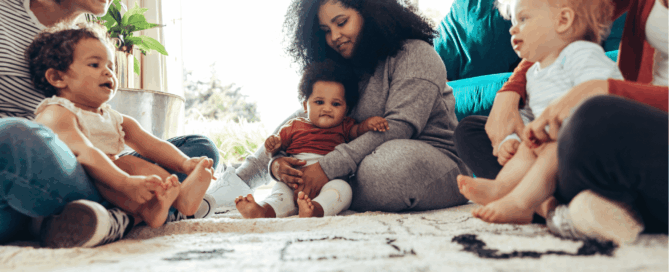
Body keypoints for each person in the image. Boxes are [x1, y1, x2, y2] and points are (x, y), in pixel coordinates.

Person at [208, 0, 472, 213]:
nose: (334, 37)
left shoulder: (416, 54)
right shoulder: (345, 66)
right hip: (357, 160)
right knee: (312, 113)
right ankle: (242, 180)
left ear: (371, 11)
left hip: (431, 159)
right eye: (325, 30)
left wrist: (325, 168)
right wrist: (277, 164)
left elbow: (399, 128)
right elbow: (310, 122)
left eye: (341, 22)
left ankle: (313, 192)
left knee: (385, 171)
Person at [0, 0, 219, 247]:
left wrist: (184, 163)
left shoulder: (82, 37)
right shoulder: (58, 111)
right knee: (12, 135)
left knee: (200, 149)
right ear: (56, 77)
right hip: (34, 162)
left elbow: (147, 141)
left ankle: (126, 216)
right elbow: (83, 152)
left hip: (91, 173)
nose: (108, 73)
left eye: (110, 67)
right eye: (95, 65)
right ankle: (151, 211)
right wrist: (125, 182)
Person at [454, 0, 667, 245]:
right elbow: (567, 23)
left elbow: (587, 76)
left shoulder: (583, 59)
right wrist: (510, 93)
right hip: (616, 141)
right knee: (472, 131)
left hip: (638, 128)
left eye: (521, 21)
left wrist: (603, 88)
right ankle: (558, 208)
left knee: (589, 115)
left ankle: (529, 201)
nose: (513, 29)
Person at [235, 60, 388, 218]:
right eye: (319, 102)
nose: (327, 108)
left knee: (342, 189)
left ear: (346, 110)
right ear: (306, 106)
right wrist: (273, 146)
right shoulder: (294, 125)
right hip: (293, 180)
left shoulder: (345, 126)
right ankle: (263, 210)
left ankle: (315, 209)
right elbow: (278, 149)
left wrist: (369, 124)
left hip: (329, 180)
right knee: (280, 194)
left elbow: (358, 131)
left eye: (336, 104)